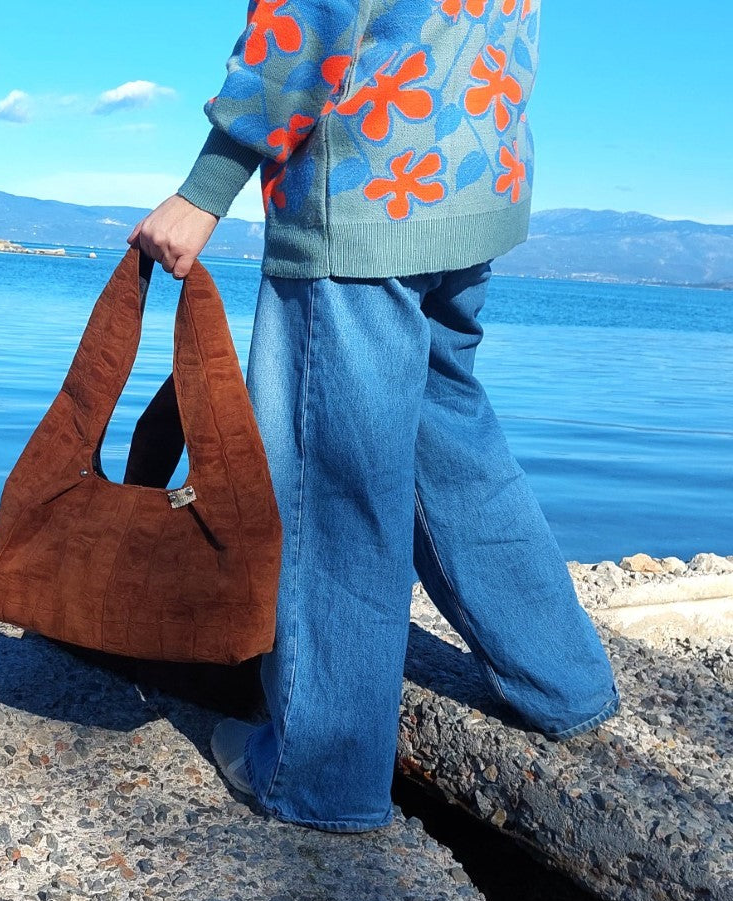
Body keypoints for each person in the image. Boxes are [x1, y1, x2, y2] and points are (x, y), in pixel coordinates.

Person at [129, 0, 620, 833]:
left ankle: (317, 772)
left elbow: (309, 15)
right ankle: (564, 680)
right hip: (467, 181)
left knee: (331, 486)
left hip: (362, 193)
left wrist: (207, 186)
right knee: (453, 448)